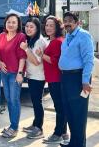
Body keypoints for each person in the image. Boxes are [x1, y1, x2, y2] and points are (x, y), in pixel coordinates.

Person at [59, 12, 94, 147]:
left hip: (78, 78)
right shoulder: (67, 36)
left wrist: (85, 81)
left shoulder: (84, 36)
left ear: (77, 22)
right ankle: (73, 143)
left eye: (70, 21)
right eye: (65, 21)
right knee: (70, 111)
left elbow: (88, 60)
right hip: (66, 77)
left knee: (78, 113)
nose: (67, 23)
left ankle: (79, 144)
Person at [37, 16, 68, 144]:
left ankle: (58, 133)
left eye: (51, 25)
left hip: (56, 79)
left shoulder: (56, 42)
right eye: (47, 25)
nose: (48, 27)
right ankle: (64, 133)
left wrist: (41, 54)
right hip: (55, 78)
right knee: (61, 106)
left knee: (59, 107)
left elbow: (55, 62)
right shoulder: (57, 40)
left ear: (57, 28)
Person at [0, 13, 26, 138]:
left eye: (14, 22)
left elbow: (22, 56)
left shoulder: (21, 36)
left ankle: (14, 127)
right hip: (4, 72)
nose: (11, 24)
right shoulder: (2, 35)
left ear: (18, 24)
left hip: (15, 73)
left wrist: (20, 73)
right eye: (9, 22)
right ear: (5, 23)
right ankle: (11, 125)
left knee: (14, 100)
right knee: (8, 99)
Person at [20, 17, 47, 139]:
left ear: (37, 29)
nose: (28, 29)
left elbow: (36, 61)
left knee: (37, 102)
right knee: (35, 101)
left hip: (38, 76)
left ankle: (39, 128)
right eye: (27, 26)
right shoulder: (32, 40)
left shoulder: (39, 42)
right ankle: (35, 124)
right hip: (32, 75)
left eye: (32, 27)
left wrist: (26, 49)